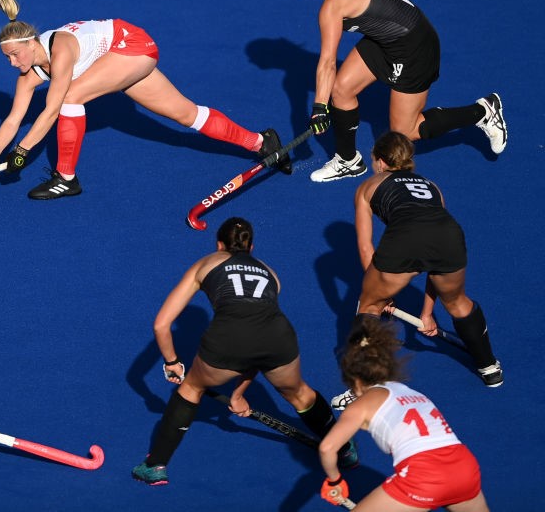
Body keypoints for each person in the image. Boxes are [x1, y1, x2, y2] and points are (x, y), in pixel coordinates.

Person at [0, 0, 291, 200]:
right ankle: (261, 142)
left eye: (15, 55)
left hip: (132, 45)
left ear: (31, 44)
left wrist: (24, 149)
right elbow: (13, 119)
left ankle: (66, 178)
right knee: (186, 114)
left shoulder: (61, 50)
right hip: (122, 60)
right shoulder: (28, 75)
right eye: (7, 59)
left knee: (70, 96)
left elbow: (53, 108)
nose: (14, 64)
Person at [131, 217, 357, 486]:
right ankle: (343, 448)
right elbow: (257, 345)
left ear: (219, 245)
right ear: (251, 247)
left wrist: (172, 362)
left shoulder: (206, 263)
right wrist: (238, 394)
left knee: (191, 388)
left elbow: (161, 325)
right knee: (300, 394)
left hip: (230, 339)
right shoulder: (270, 273)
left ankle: (156, 465)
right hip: (279, 337)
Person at [288, 0, 507, 183]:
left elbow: (327, 62)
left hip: (415, 49)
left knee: (406, 131)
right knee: (341, 90)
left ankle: (482, 111)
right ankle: (348, 160)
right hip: (386, 40)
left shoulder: (332, 4)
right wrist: (324, 103)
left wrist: (319, 108)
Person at [333, 131, 501, 409]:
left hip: (405, 239)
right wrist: (427, 313)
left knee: (369, 305)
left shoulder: (368, 186)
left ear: (381, 162)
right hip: (449, 236)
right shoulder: (433, 187)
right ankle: (489, 366)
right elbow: (433, 263)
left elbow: (366, 248)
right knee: (458, 303)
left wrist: (377, 293)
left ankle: (361, 388)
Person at [318, 317, 490, 510]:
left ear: (356, 381)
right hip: (464, 467)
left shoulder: (361, 404)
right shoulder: (412, 393)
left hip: (424, 474)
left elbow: (327, 448)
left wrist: (335, 481)